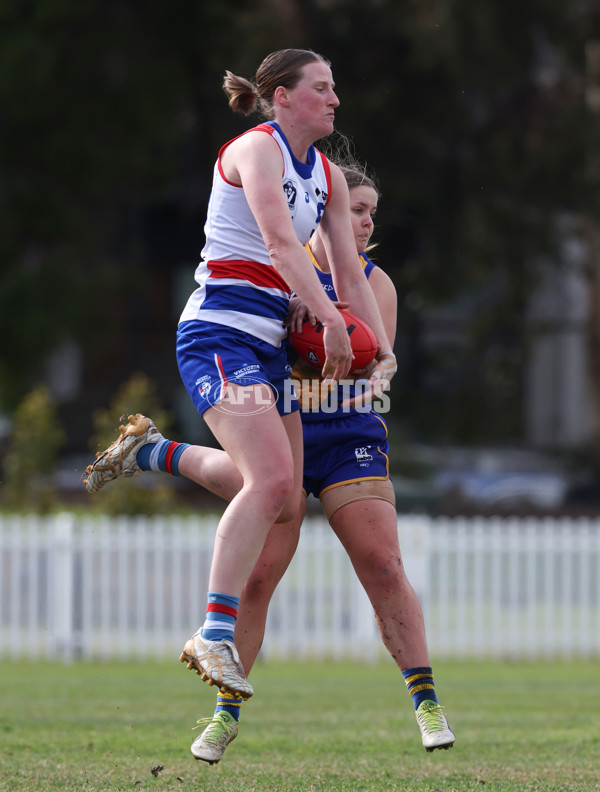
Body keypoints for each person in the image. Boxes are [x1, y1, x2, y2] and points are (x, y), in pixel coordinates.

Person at [84, 154, 454, 760]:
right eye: (354, 210)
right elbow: (262, 353)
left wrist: (333, 366)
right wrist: (299, 365)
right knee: (257, 578)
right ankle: (224, 715)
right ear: (320, 213)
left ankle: (426, 702)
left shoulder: (375, 282)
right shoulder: (276, 275)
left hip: (347, 437)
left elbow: (370, 385)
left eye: (369, 215)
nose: (362, 223)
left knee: (382, 565)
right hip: (281, 428)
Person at [84, 49, 396, 703]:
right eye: (320, 87)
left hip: (268, 352)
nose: (334, 99)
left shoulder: (331, 180)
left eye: (336, 87)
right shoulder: (254, 151)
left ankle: (151, 450)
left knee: (280, 498)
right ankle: (212, 631)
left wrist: (382, 346)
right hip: (218, 333)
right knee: (277, 480)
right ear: (281, 98)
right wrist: (329, 322)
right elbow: (283, 244)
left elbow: (346, 266)